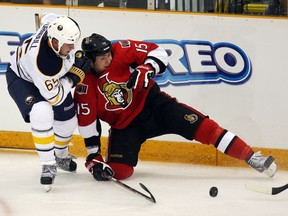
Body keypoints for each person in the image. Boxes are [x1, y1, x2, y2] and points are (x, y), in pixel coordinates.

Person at [73, 33, 278, 182]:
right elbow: (88, 123)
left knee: (204, 127)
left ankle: (252, 157)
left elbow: (157, 52)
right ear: (91, 61)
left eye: (109, 54)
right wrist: (93, 157)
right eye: (102, 58)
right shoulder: (85, 86)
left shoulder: (121, 49)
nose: (109, 59)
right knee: (119, 172)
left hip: (155, 105)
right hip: (126, 127)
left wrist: (148, 67)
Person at [5, 13, 90, 190]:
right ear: (55, 42)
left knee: (68, 121)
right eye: (69, 44)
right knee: (41, 111)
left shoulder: (54, 26)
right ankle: (48, 164)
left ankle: (60, 155)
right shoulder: (43, 63)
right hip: (23, 80)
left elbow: (46, 16)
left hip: (51, 80)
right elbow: (55, 97)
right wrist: (74, 78)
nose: (73, 46)